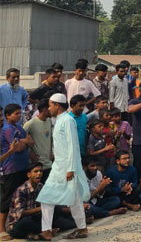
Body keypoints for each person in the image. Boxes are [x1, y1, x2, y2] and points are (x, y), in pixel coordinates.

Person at [36, 93, 90, 240]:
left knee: (53, 198)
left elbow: (73, 145)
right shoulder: (60, 120)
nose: (49, 108)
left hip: (66, 167)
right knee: (65, 198)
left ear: (57, 105)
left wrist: (70, 168)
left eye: (50, 105)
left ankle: (48, 231)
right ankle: (79, 228)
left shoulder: (67, 120)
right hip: (59, 166)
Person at [7, 162, 76, 240]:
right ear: (29, 175)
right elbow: (21, 213)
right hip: (19, 224)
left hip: (35, 219)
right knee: (27, 222)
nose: (39, 173)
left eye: (41, 171)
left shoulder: (40, 186)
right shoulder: (21, 190)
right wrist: (42, 208)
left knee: (55, 212)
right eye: (36, 171)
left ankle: (41, 232)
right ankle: (45, 231)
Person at [0, 104, 33, 240]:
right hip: (11, 168)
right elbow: (18, 148)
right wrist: (25, 142)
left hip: (23, 166)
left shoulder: (19, 127)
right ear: (8, 115)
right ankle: (1, 229)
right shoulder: (7, 129)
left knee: (20, 197)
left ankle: (18, 227)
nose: (19, 116)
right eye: (16, 114)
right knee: (7, 198)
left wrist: (23, 141)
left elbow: (31, 142)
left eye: (20, 113)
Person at [23, 99, 53, 182]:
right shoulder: (30, 124)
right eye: (50, 107)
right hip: (37, 165)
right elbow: (20, 140)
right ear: (44, 110)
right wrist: (28, 153)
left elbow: (50, 138)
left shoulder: (49, 121)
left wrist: (51, 151)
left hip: (48, 163)